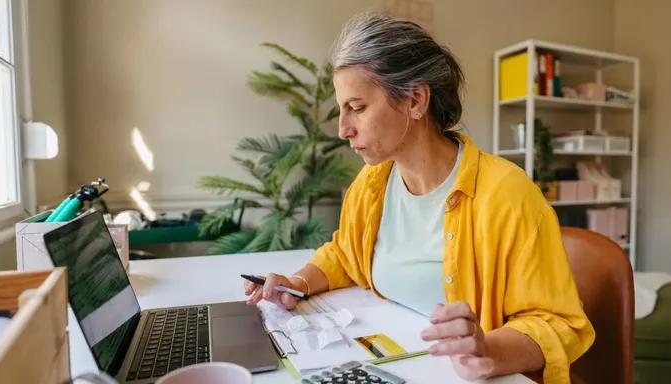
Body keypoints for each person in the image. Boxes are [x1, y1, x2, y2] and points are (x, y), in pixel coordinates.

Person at [243, 13, 594, 383]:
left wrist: (487, 350)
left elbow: (558, 324)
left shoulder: (508, 194)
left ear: (414, 100)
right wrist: (296, 283)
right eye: (342, 109)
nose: (344, 129)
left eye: (358, 108)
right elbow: (346, 254)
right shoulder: (371, 183)